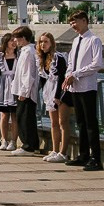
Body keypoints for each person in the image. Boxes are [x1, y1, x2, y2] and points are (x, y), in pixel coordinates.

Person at [64, 10, 104, 170]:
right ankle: (83, 155)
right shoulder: (76, 41)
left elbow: (97, 64)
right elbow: (70, 61)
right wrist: (69, 74)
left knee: (90, 123)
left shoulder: (94, 40)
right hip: (75, 87)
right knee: (80, 122)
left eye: (75, 22)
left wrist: (76, 74)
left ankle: (95, 157)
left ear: (84, 21)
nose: (73, 25)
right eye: (71, 23)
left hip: (87, 87)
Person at [38, 32, 69, 163]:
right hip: (49, 93)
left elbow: (61, 76)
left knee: (63, 123)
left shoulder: (58, 57)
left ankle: (63, 152)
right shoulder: (43, 59)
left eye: (45, 42)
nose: (42, 44)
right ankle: (55, 150)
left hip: (61, 93)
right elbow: (43, 79)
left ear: (51, 43)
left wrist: (57, 96)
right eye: (41, 42)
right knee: (54, 123)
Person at [9, 25, 40, 155]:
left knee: (24, 117)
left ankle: (28, 145)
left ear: (23, 38)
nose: (15, 41)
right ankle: (33, 144)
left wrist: (24, 92)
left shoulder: (28, 52)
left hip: (25, 92)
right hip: (23, 90)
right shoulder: (27, 51)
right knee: (27, 117)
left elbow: (28, 74)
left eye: (16, 38)